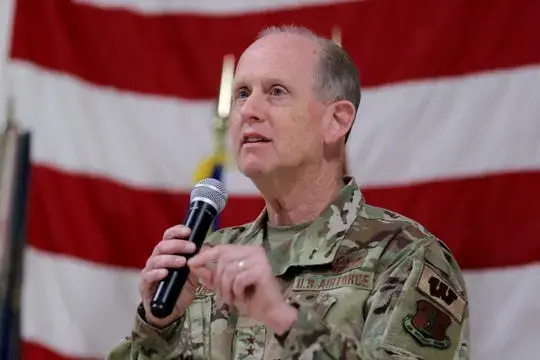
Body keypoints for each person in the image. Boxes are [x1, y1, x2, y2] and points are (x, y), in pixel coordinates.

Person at [107, 25, 470, 360]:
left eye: (276, 92)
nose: (249, 110)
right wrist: (158, 328)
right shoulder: (207, 262)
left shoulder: (404, 256)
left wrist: (282, 318)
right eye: (242, 93)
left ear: (337, 120)